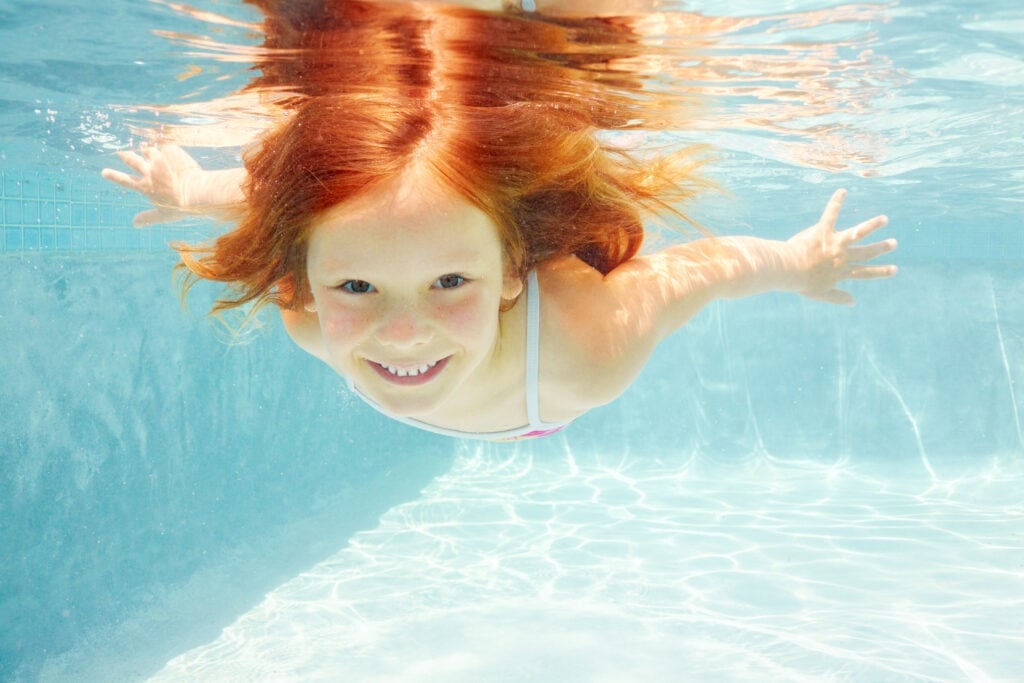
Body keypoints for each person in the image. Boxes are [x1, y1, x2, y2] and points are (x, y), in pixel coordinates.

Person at [102, 0, 897, 441]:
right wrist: (195, 189)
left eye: (450, 280)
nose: (402, 332)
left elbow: (704, 273)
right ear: (310, 274)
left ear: (515, 267)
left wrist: (798, 262)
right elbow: (295, 211)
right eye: (356, 283)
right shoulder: (311, 309)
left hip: (530, 373)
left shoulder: (582, 348)